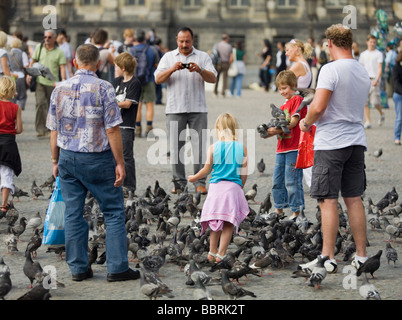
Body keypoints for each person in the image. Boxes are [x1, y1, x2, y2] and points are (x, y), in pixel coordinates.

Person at [46, 44, 140, 282]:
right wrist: (120, 162)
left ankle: (78, 268)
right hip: (98, 158)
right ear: (99, 64)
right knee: (114, 211)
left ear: (75, 62)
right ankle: (117, 267)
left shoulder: (59, 89)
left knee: (73, 213)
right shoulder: (104, 88)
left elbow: (53, 131)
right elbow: (112, 129)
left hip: (68, 157)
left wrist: (54, 160)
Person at [298, 24, 371, 273]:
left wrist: (305, 123)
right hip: (356, 140)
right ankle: (361, 255)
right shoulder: (361, 70)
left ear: (329, 43)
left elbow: (318, 107)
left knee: (327, 201)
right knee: (354, 199)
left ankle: (326, 257)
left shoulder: (330, 69)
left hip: (331, 142)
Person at [154, 26, 217, 195]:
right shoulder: (168, 57)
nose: (184, 44)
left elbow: (213, 78)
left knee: (199, 147)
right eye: (181, 41)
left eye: (187, 41)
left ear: (192, 40)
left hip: (198, 108)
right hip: (175, 108)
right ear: (176, 40)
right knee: (176, 148)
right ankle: (179, 183)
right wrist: (172, 69)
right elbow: (157, 79)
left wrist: (200, 70)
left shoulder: (203, 57)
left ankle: (199, 182)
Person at [188, 113, 249, 262]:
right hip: (232, 188)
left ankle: (211, 251)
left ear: (218, 128)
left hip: (216, 188)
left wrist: (194, 178)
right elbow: (244, 172)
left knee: (214, 222)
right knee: (228, 223)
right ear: (235, 129)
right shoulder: (242, 148)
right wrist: (240, 186)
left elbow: (206, 170)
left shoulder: (213, 148)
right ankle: (221, 254)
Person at [264, 70, 306, 220]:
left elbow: (294, 122)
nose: (282, 91)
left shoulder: (298, 100)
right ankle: (279, 209)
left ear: (294, 85)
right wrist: (267, 132)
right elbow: (278, 129)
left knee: (292, 181)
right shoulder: (282, 106)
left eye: (285, 88)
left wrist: (277, 129)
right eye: (280, 89)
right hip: (282, 148)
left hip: (294, 148)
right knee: (277, 180)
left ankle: (297, 212)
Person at [114, 52, 142, 195]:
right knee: (113, 156)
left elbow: (127, 104)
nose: (115, 69)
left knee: (126, 156)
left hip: (126, 125)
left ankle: (129, 186)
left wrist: (112, 102)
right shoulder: (117, 82)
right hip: (114, 124)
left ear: (123, 67)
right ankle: (116, 183)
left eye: (116, 66)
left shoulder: (134, 83)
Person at [29, 29, 66, 138]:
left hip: (53, 83)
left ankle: (51, 129)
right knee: (40, 103)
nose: (46, 39)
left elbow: (62, 67)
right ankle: (41, 129)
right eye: (45, 37)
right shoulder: (39, 48)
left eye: (49, 37)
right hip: (40, 81)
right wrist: (29, 74)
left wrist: (63, 80)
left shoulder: (59, 52)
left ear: (54, 38)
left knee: (52, 107)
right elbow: (33, 61)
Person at [0, 76, 23, 215]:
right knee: (6, 174)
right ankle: (3, 205)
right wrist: (9, 130)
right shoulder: (16, 108)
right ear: (13, 91)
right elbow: (19, 129)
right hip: (8, 144)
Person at [132, 28, 159, 138]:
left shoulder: (130, 51)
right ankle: (149, 128)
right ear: (145, 38)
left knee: (137, 106)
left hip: (135, 82)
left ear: (135, 38)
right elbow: (157, 65)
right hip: (149, 80)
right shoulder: (152, 50)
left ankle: (138, 129)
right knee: (150, 105)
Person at [359, 34, 384, 129]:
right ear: (367, 42)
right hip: (365, 79)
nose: (372, 44)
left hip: (374, 79)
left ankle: (381, 113)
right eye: (371, 42)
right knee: (365, 102)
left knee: (375, 103)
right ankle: (368, 121)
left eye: (374, 42)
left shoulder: (378, 54)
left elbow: (379, 68)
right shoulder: (363, 54)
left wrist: (377, 79)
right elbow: (361, 68)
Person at [8, 38, 29, 110]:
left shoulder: (8, 54)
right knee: (22, 96)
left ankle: (12, 112)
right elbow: (26, 67)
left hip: (11, 77)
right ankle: (18, 113)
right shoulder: (23, 54)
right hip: (21, 76)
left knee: (12, 96)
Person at [213, 33, 232, 98]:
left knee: (217, 78)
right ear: (227, 39)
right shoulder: (229, 46)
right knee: (224, 78)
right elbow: (230, 56)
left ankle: (215, 92)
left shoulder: (217, 45)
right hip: (225, 63)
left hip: (218, 63)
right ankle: (223, 92)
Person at [392, 51, 402, 145]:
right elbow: (396, 83)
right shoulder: (396, 67)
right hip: (399, 95)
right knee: (399, 117)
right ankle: (397, 137)